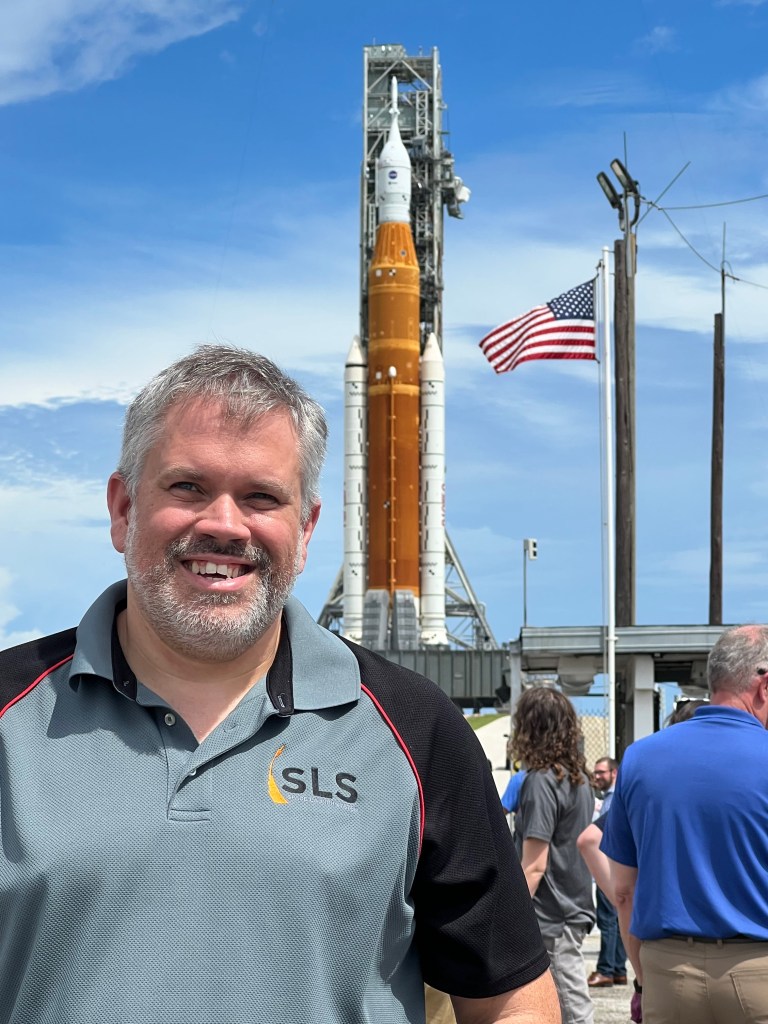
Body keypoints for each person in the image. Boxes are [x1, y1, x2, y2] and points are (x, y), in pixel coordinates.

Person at [0, 345, 559, 1024]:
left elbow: (509, 1000)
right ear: (122, 508)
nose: (224, 524)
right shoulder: (11, 716)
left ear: (306, 528)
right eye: (187, 487)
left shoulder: (415, 729)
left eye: (262, 497)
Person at [602, 624, 768, 1024]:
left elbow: (623, 890)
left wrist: (645, 975)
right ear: (764, 686)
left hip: (668, 969)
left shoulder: (640, 758)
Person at [509, 686, 596, 1024]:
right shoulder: (580, 780)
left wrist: (509, 915)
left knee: (571, 1007)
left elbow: (534, 865)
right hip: (572, 904)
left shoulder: (541, 781)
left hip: (551, 914)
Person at [586, 757, 627, 989]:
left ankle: (606, 970)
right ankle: (619, 969)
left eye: (601, 772)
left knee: (608, 921)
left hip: (609, 867)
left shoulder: (614, 802)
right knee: (617, 918)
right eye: (595, 772)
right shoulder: (609, 799)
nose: (597, 776)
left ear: (614, 773)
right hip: (616, 867)